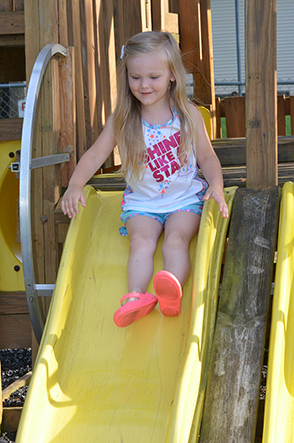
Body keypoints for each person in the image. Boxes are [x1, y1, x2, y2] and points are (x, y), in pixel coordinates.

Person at [61, 30, 228, 328]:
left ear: (172, 75)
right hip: (143, 203)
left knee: (175, 241)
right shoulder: (123, 119)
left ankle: (171, 289)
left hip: (183, 200)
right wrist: (75, 185)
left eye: (154, 76)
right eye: (135, 77)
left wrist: (215, 184)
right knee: (140, 241)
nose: (144, 85)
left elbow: (207, 157)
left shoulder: (188, 115)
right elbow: (94, 155)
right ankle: (136, 296)